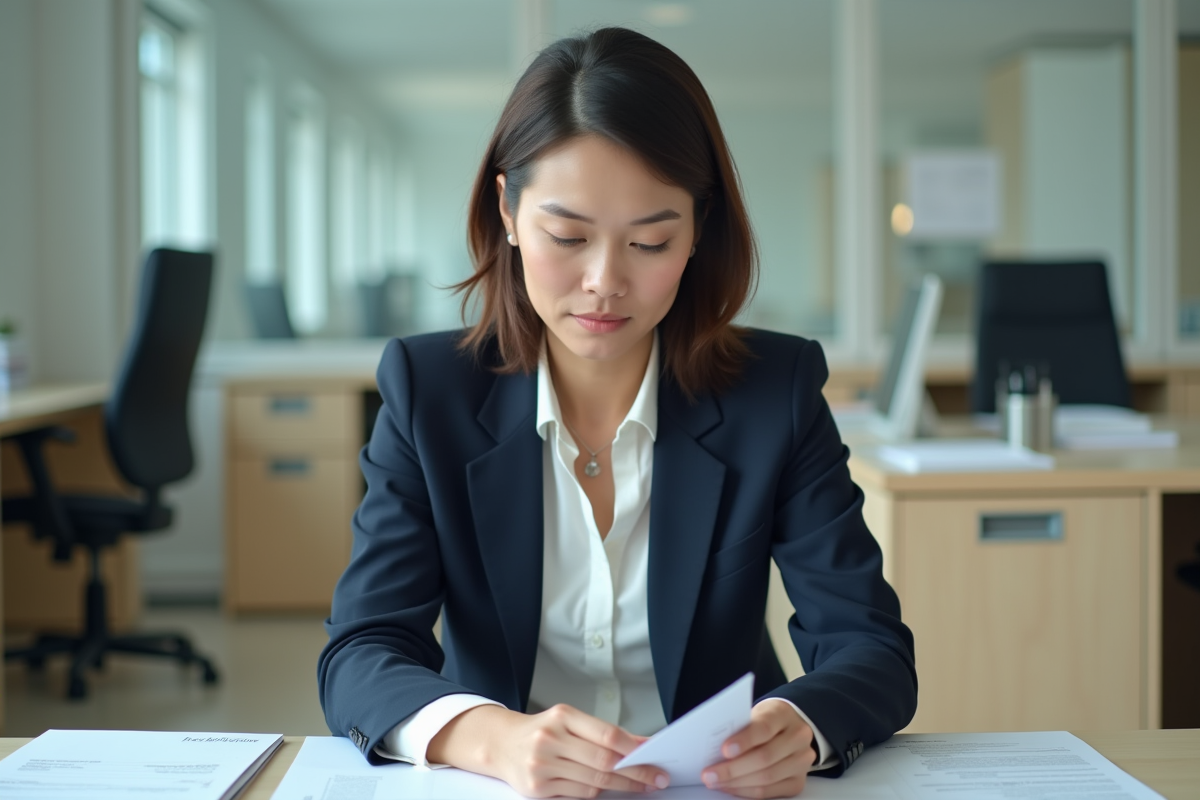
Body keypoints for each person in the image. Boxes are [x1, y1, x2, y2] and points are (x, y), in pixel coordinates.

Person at [318, 27, 916, 800]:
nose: (604, 282)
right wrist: (494, 738)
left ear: (698, 228)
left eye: (650, 241)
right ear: (506, 209)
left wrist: (798, 725)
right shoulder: (429, 390)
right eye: (567, 236)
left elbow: (870, 646)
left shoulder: (776, 391)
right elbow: (362, 650)